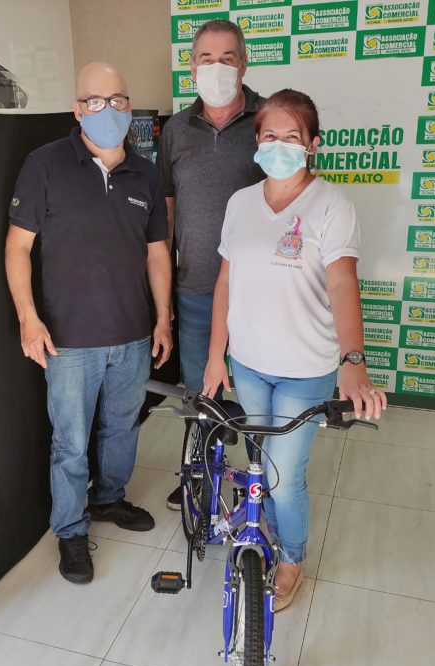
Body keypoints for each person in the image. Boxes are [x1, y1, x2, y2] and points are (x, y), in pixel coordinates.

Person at [202, 89, 387, 611]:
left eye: (291, 136)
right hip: (250, 365)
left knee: (284, 479)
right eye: (269, 135)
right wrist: (217, 356)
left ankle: (292, 557)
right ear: (256, 141)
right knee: (260, 464)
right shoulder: (240, 203)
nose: (279, 145)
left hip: (305, 370)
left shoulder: (331, 206)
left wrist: (353, 362)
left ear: (312, 144)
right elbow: (225, 283)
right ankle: (264, 534)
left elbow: (342, 285)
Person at [5, 62, 172, 584]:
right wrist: (28, 318)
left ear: (129, 107)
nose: (107, 109)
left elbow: (157, 253)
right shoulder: (45, 164)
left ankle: (108, 499)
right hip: (69, 340)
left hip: (133, 333)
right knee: (71, 442)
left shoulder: (146, 173)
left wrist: (163, 319)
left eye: (117, 100)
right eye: (94, 101)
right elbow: (17, 247)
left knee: (122, 427)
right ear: (78, 110)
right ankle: (71, 530)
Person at [157, 19, 265, 510]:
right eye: (206, 58)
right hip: (196, 286)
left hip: (261, 290)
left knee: (260, 394)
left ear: (243, 63)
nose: (216, 67)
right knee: (201, 391)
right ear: (192, 66)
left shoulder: (270, 119)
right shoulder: (176, 129)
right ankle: (199, 475)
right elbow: (167, 211)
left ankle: (262, 481)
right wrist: (165, 284)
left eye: (227, 58)